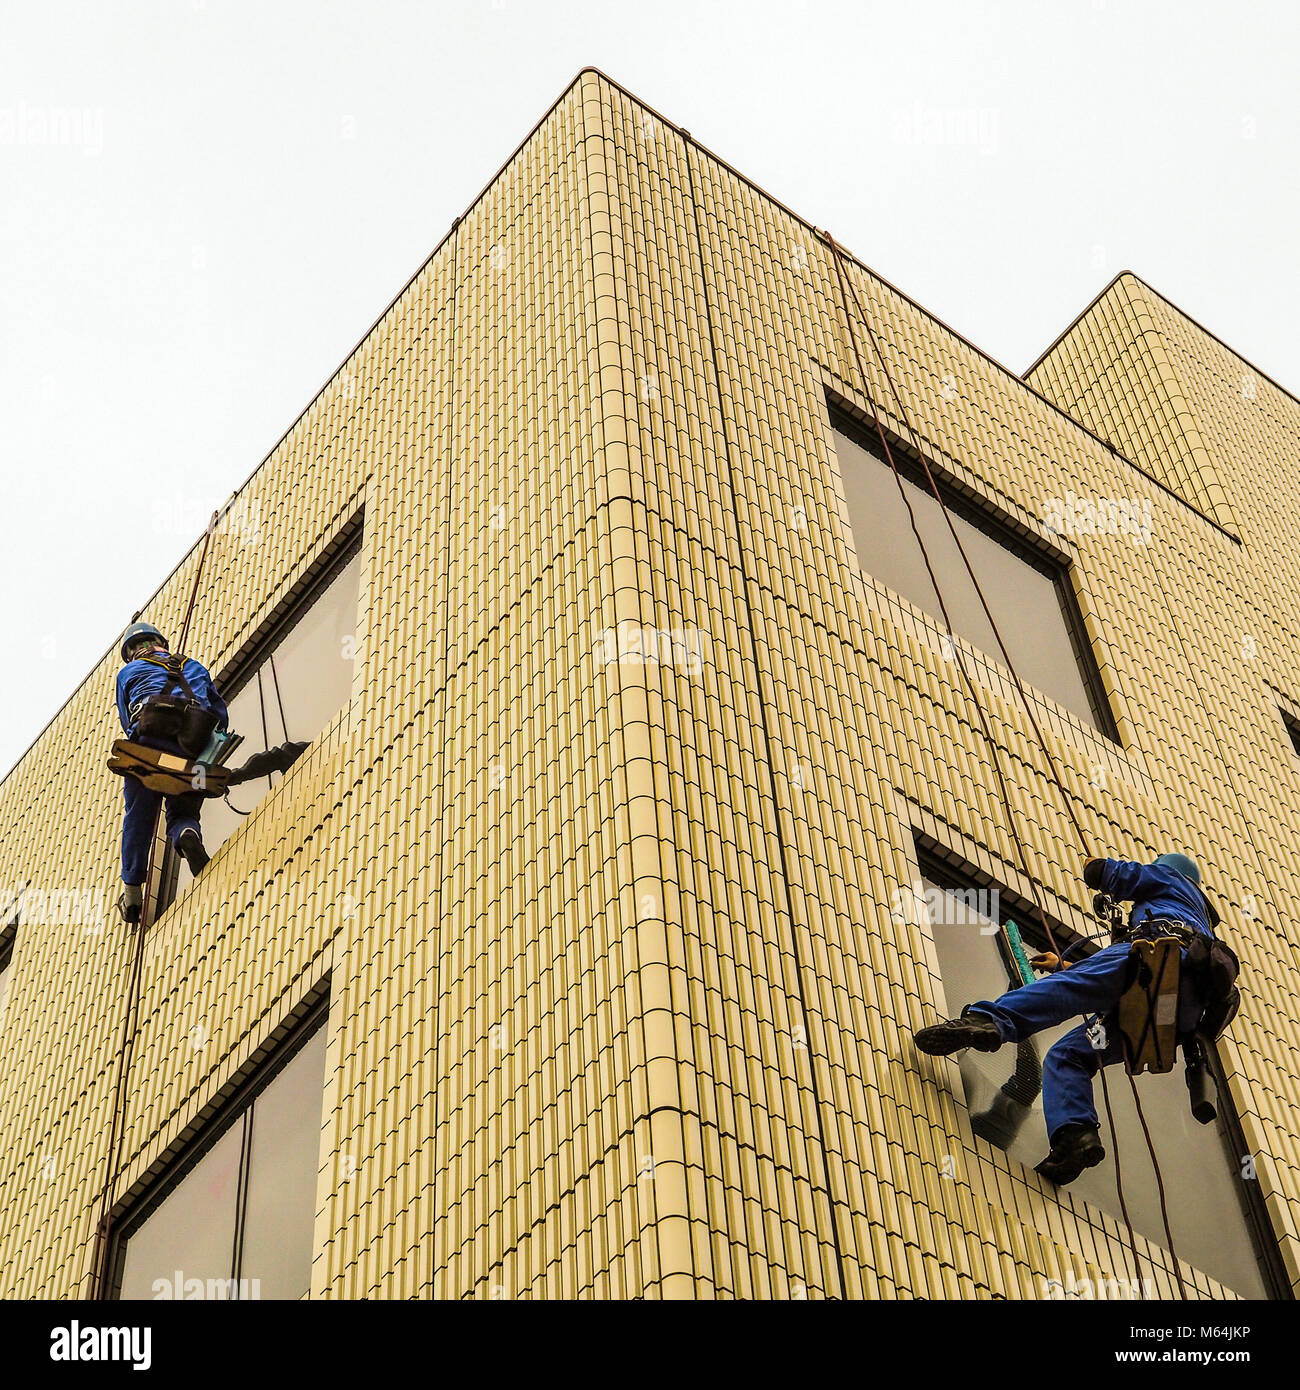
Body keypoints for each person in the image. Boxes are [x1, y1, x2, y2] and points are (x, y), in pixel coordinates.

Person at [913, 852, 1223, 1185]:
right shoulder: (1201, 923)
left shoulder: (1170, 881)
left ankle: (989, 1022)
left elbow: (1110, 874)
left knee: (1066, 991)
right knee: (1069, 1055)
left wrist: (1095, 865)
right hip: (1170, 1016)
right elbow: (1108, 975)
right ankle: (1075, 1136)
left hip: (1155, 965)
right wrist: (1065, 966)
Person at [115, 622, 229, 924]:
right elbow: (220, 715)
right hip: (193, 741)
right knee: (183, 802)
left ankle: (132, 892)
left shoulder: (128, 672)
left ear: (132, 652)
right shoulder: (193, 665)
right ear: (161, 643)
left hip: (151, 737)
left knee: (139, 812)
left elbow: (127, 720)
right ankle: (185, 833)